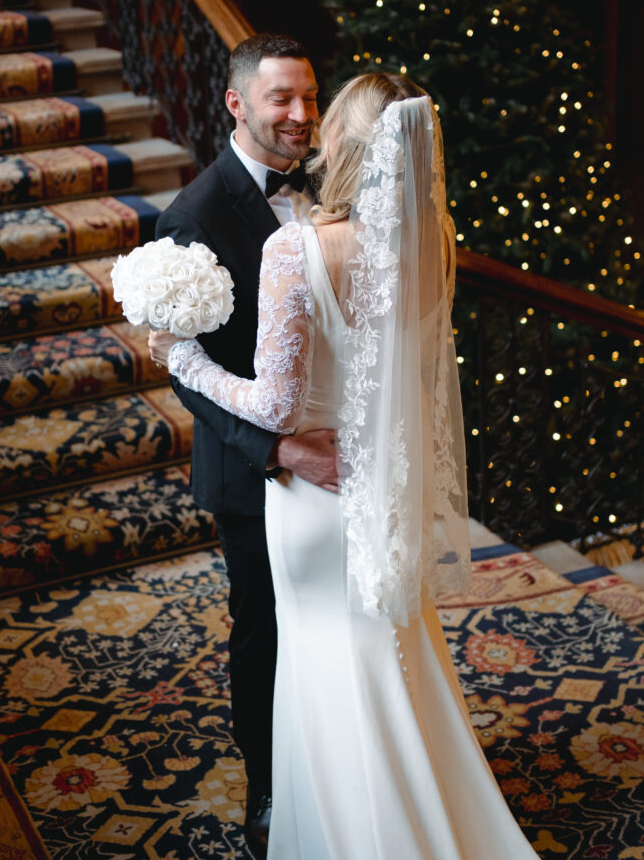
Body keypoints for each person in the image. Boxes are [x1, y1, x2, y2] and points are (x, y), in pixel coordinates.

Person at [151, 73, 540, 859]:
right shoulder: (432, 244)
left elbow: (271, 403)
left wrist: (181, 358)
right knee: (390, 652)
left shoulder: (297, 247)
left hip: (312, 498)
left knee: (325, 667)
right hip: (380, 481)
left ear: (345, 140)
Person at [154, 33, 337, 859]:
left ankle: (335, 765)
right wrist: (275, 451)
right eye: (281, 100)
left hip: (334, 451)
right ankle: (267, 791)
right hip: (249, 469)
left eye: (309, 98)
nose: (301, 115)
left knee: (334, 622)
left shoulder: (329, 187)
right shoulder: (192, 214)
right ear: (237, 103)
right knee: (260, 630)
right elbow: (189, 373)